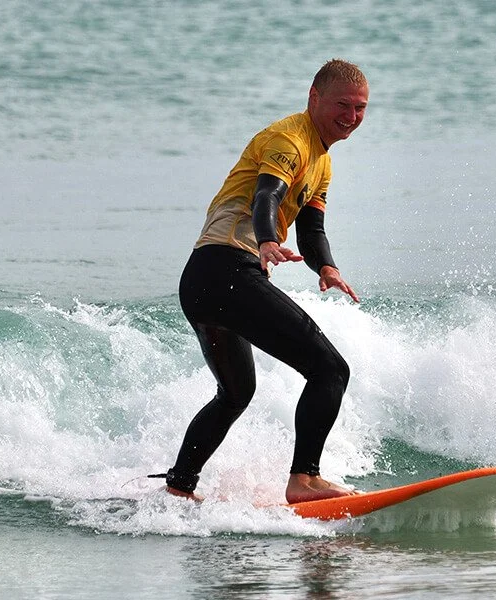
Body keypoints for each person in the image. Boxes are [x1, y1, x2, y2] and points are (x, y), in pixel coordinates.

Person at [164, 59, 369, 504]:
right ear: (314, 98)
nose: (351, 117)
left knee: (236, 392)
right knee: (330, 370)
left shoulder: (322, 161)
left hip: (202, 281)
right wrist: (267, 240)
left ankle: (179, 486)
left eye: (360, 108)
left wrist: (327, 268)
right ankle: (305, 480)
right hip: (225, 270)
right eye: (342, 105)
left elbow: (312, 231)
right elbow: (267, 195)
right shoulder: (289, 140)